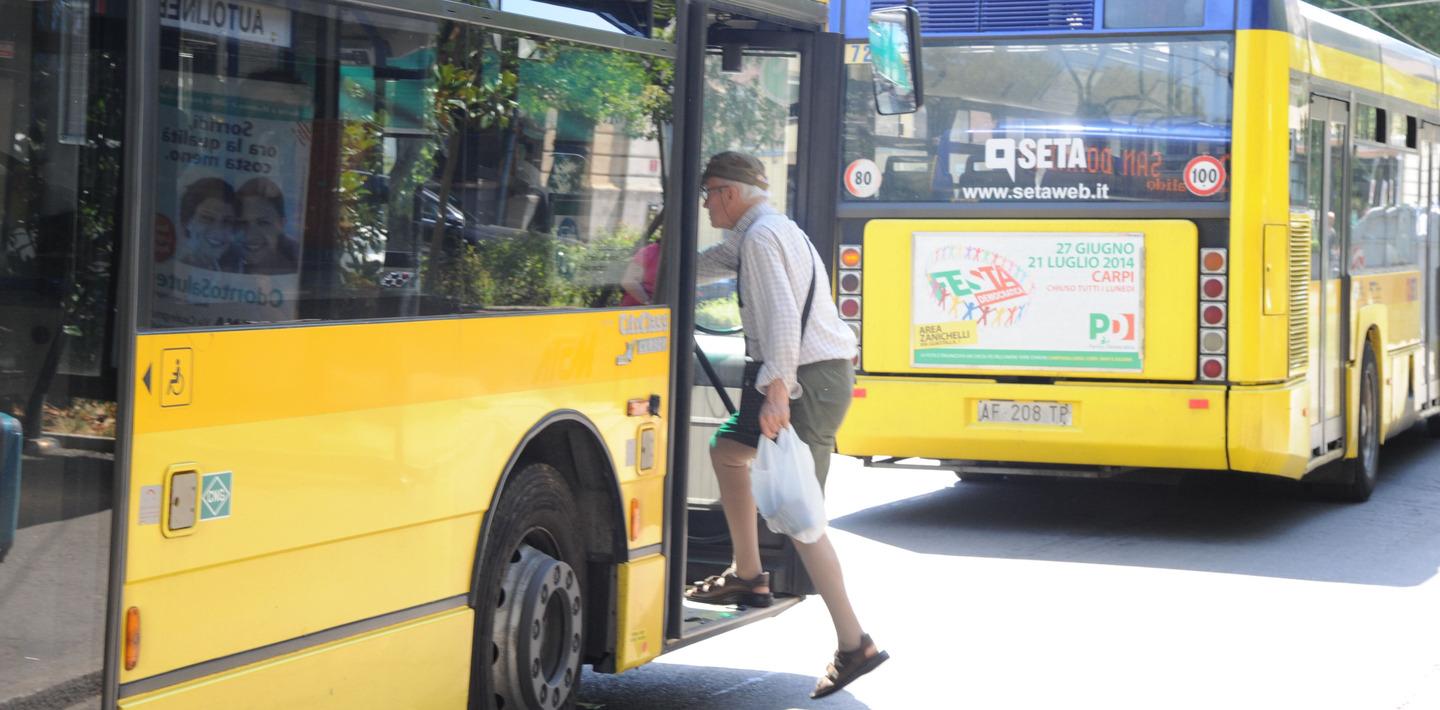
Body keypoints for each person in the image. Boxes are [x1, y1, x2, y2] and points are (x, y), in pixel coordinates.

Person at [684, 152, 888, 699]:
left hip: (806, 380)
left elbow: (778, 319)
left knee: (802, 515)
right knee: (727, 450)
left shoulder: (763, 239)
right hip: (802, 373)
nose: (704, 203)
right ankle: (748, 576)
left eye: (707, 193)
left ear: (728, 193)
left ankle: (855, 644)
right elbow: (710, 260)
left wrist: (778, 390)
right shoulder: (762, 231)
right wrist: (654, 260)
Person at [234, 177, 299, 274]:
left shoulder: (300, 265)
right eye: (243, 223)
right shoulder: (223, 261)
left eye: (263, 223)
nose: (251, 235)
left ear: (281, 224)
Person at [177, 177, 238, 272]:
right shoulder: (178, 269)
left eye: (227, 221)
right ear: (188, 221)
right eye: (207, 218)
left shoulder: (231, 269)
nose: (217, 230)